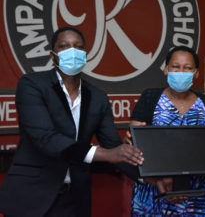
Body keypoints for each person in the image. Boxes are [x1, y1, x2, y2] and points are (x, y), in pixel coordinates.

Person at [0, 27, 144, 217]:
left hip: (74, 200)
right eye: (64, 47)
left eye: (78, 47)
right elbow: (45, 138)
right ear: (53, 55)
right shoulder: (32, 85)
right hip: (31, 196)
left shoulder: (98, 97)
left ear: (85, 54)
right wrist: (105, 153)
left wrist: (148, 177)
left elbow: (114, 147)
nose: (72, 52)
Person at [124, 46, 205, 216]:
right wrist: (129, 142)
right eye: (175, 67)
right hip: (156, 194)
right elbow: (133, 143)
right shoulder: (150, 98)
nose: (181, 72)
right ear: (166, 70)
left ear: (196, 73)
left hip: (200, 198)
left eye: (187, 68)